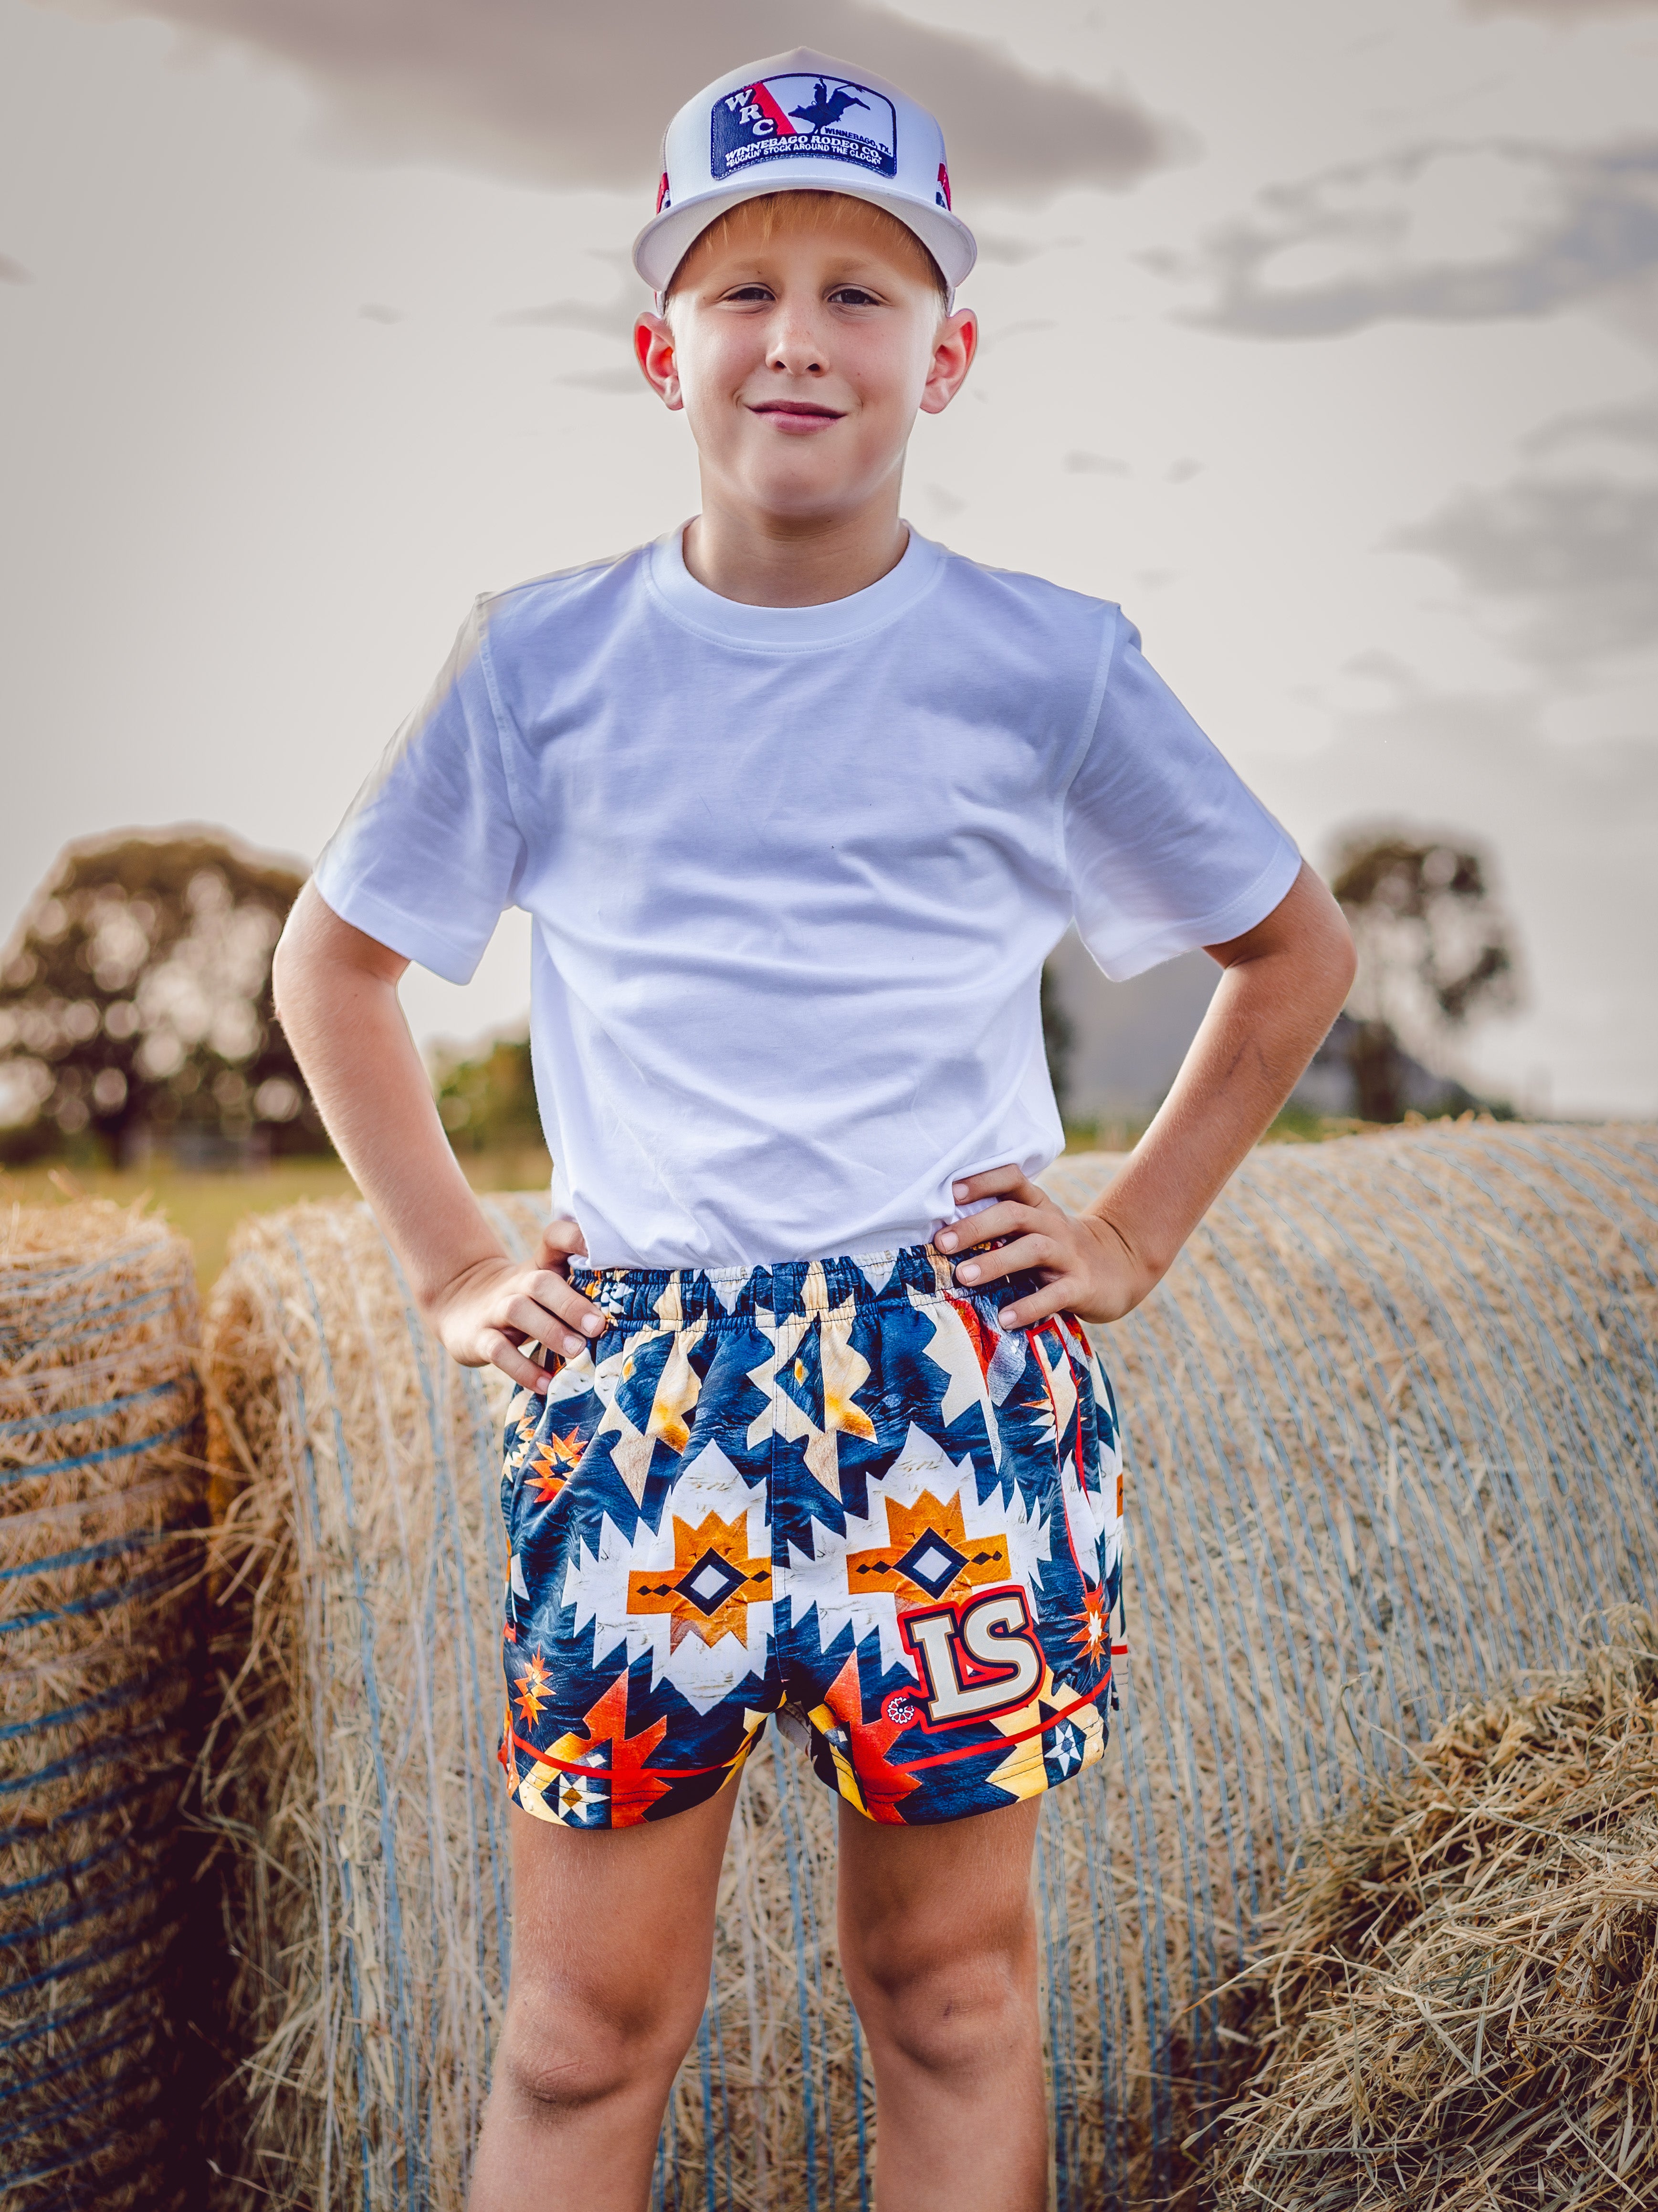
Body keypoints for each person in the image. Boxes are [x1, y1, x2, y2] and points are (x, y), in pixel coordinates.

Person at [273, 45, 1355, 2212]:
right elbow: (334, 967)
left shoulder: (1046, 662)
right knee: (580, 2031)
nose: (796, 337)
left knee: (946, 1993)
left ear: (944, 354)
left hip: (945, 1386)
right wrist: (459, 1261)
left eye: (860, 292)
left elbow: (1290, 950)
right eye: (740, 287)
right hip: (641, 1389)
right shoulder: (539, 661)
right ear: (656, 344)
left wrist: (1132, 1231)